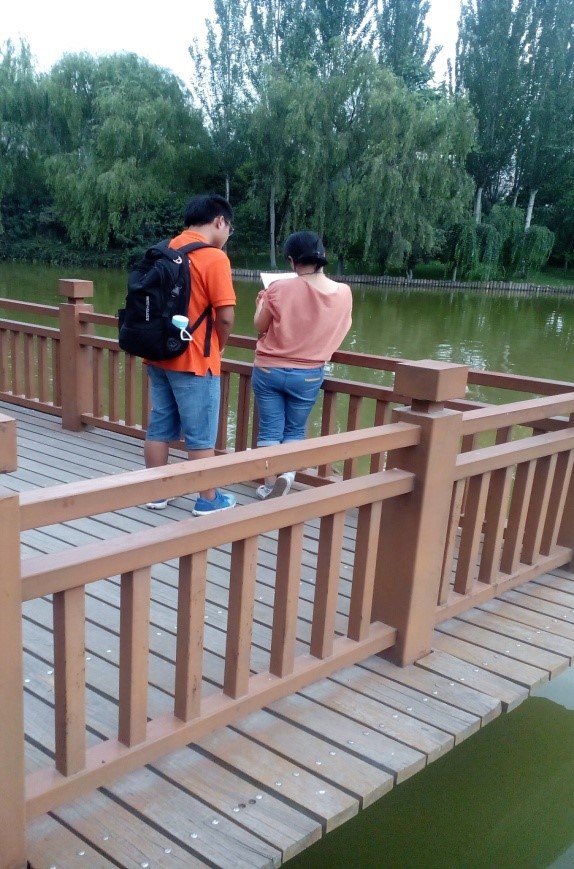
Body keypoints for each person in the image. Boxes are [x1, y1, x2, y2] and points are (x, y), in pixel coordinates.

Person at [144, 193, 237, 515]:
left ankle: (157, 493)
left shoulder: (164, 250)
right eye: (229, 228)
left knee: (159, 427)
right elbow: (226, 317)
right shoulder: (214, 258)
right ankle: (208, 500)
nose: (227, 235)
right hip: (196, 360)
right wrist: (218, 346)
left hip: (158, 354)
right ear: (219, 221)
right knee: (200, 436)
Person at [252, 230, 352, 499]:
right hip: (308, 373)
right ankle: (287, 475)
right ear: (322, 258)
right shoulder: (343, 292)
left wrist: (261, 303)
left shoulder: (278, 288)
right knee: (295, 429)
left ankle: (269, 485)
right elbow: (344, 327)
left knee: (270, 429)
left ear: (291, 260)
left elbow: (260, 326)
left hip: (269, 369)